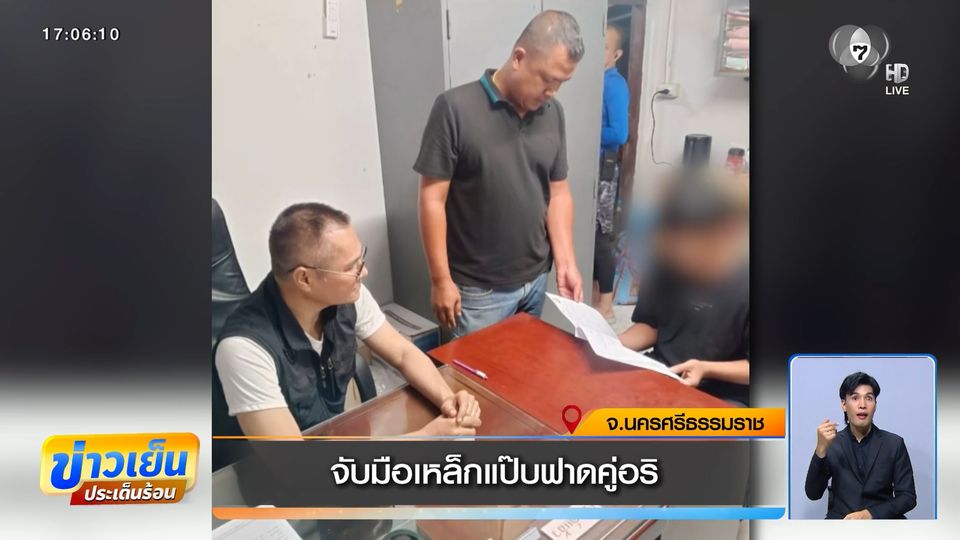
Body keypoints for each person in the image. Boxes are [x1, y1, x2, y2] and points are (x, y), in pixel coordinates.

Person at [214, 203, 481, 438]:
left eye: (360, 259)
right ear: (305, 279)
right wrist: (427, 437)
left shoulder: (347, 297)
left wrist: (448, 400)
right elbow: (292, 465)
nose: (364, 272)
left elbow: (402, 353)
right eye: (351, 267)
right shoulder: (243, 349)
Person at [416, 10, 585, 338]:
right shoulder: (455, 108)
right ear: (519, 58)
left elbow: (558, 192)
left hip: (536, 279)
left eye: (561, 83)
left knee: (523, 363)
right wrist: (440, 279)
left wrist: (566, 262)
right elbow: (432, 199)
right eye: (547, 79)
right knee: (471, 371)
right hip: (478, 292)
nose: (552, 92)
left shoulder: (553, 113)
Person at [618, 169, 749, 405]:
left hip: (723, 393)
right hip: (663, 372)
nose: (683, 257)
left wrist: (705, 369)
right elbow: (651, 326)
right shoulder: (666, 263)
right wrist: (612, 344)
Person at [804, 372, 917, 519]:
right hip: (842, 524)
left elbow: (908, 497)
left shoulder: (894, 443)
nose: (862, 405)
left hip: (882, 522)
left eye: (869, 398)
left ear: (875, 405)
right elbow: (813, 494)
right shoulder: (831, 443)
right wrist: (821, 449)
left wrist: (870, 514)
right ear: (844, 404)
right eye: (855, 398)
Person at [592, 24, 630, 323]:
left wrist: (585, 129)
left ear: (616, 54)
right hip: (588, 169)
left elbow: (619, 133)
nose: (598, 51)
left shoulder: (614, 84)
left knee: (601, 236)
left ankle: (606, 305)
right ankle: (594, 299)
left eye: (604, 46)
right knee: (588, 234)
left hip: (603, 170)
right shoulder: (592, 81)